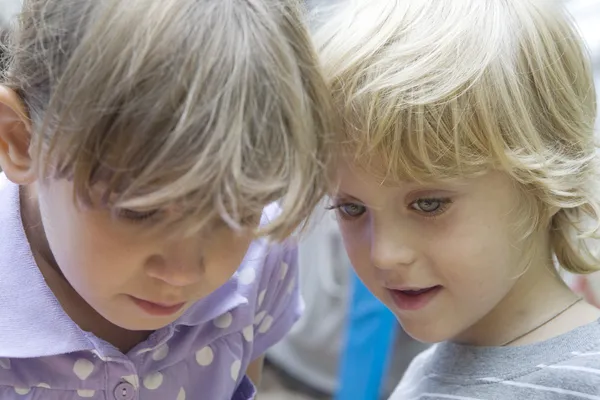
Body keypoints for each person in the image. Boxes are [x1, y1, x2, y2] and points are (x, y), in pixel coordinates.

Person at [0, 0, 333, 398]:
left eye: (235, 211)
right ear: (22, 141)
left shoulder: (262, 257)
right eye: (141, 211)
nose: (183, 273)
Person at [314, 0, 600, 398]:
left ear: (543, 178)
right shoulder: (425, 374)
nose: (385, 254)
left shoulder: (585, 378)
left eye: (429, 204)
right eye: (351, 208)